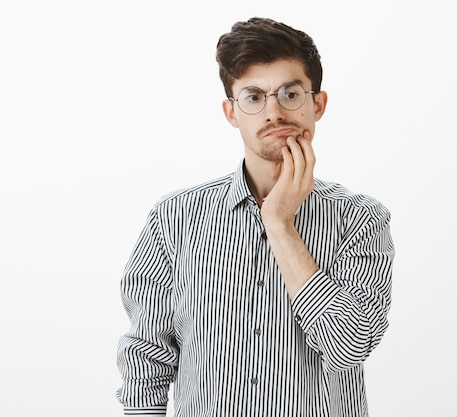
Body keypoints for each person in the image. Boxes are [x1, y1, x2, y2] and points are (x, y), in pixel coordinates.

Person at [116, 17, 394, 417]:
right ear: (232, 112)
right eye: (254, 96)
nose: (274, 112)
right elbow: (147, 356)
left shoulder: (362, 219)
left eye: (290, 93)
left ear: (318, 104)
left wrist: (280, 225)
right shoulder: (174, 218)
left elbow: (349, 346)